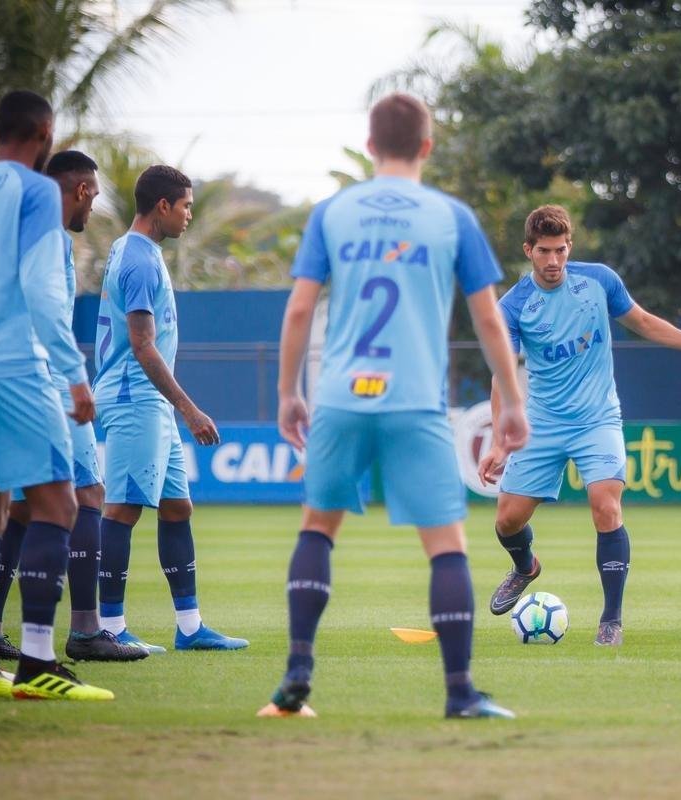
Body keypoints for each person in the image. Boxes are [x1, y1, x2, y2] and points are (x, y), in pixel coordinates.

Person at [259, 92, 529, 720]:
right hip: (415, 402)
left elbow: (299, 308)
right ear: (427, 148)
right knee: (447, 545)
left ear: (371, 145)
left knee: (317, 529)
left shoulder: (332, 212)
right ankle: (460, 693)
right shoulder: (451, 216)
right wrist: (511, 402)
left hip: (342, 397)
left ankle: (296, 677)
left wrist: (287, 393)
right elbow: (488, 318)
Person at [478, 204, 681, 646]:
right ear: (528, 250)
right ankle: (526, 567)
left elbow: (642, 322)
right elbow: (503, 372)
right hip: (542, 423)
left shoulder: (599, 281)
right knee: (507, 521)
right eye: (544, 251)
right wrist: (502, 442)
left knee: (606, 505)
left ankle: (611, 620)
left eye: (561, 250)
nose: (554, 260)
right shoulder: (515, 305)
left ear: (570, 247)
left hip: (597, 418)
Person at [0, 90, 111, 699]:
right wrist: (74, 374)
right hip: (10, 363)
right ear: (45, 132)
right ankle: (36, 662)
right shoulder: (35, 189)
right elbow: (40, 289)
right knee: (60, 506)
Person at [0, 150, 146, 663]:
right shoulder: (51, 234)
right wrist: (77, 380)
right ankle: (83, 630)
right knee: (86, 493)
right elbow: (48, 310)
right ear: (80, 190)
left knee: (15, 504)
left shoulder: (8, 228)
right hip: (48, 375)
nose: (94, 205)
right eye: (94, 195)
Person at [92, 165, 246, 653]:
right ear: (163, 206)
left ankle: (190, 627)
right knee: (121, 509)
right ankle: (110, 629)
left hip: (151, 402)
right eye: (185, 206)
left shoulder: (139, 251)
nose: (189, 216)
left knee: (177, 507)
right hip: (135, 397)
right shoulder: (137, 259)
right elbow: (141, 345)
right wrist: (190, 409)